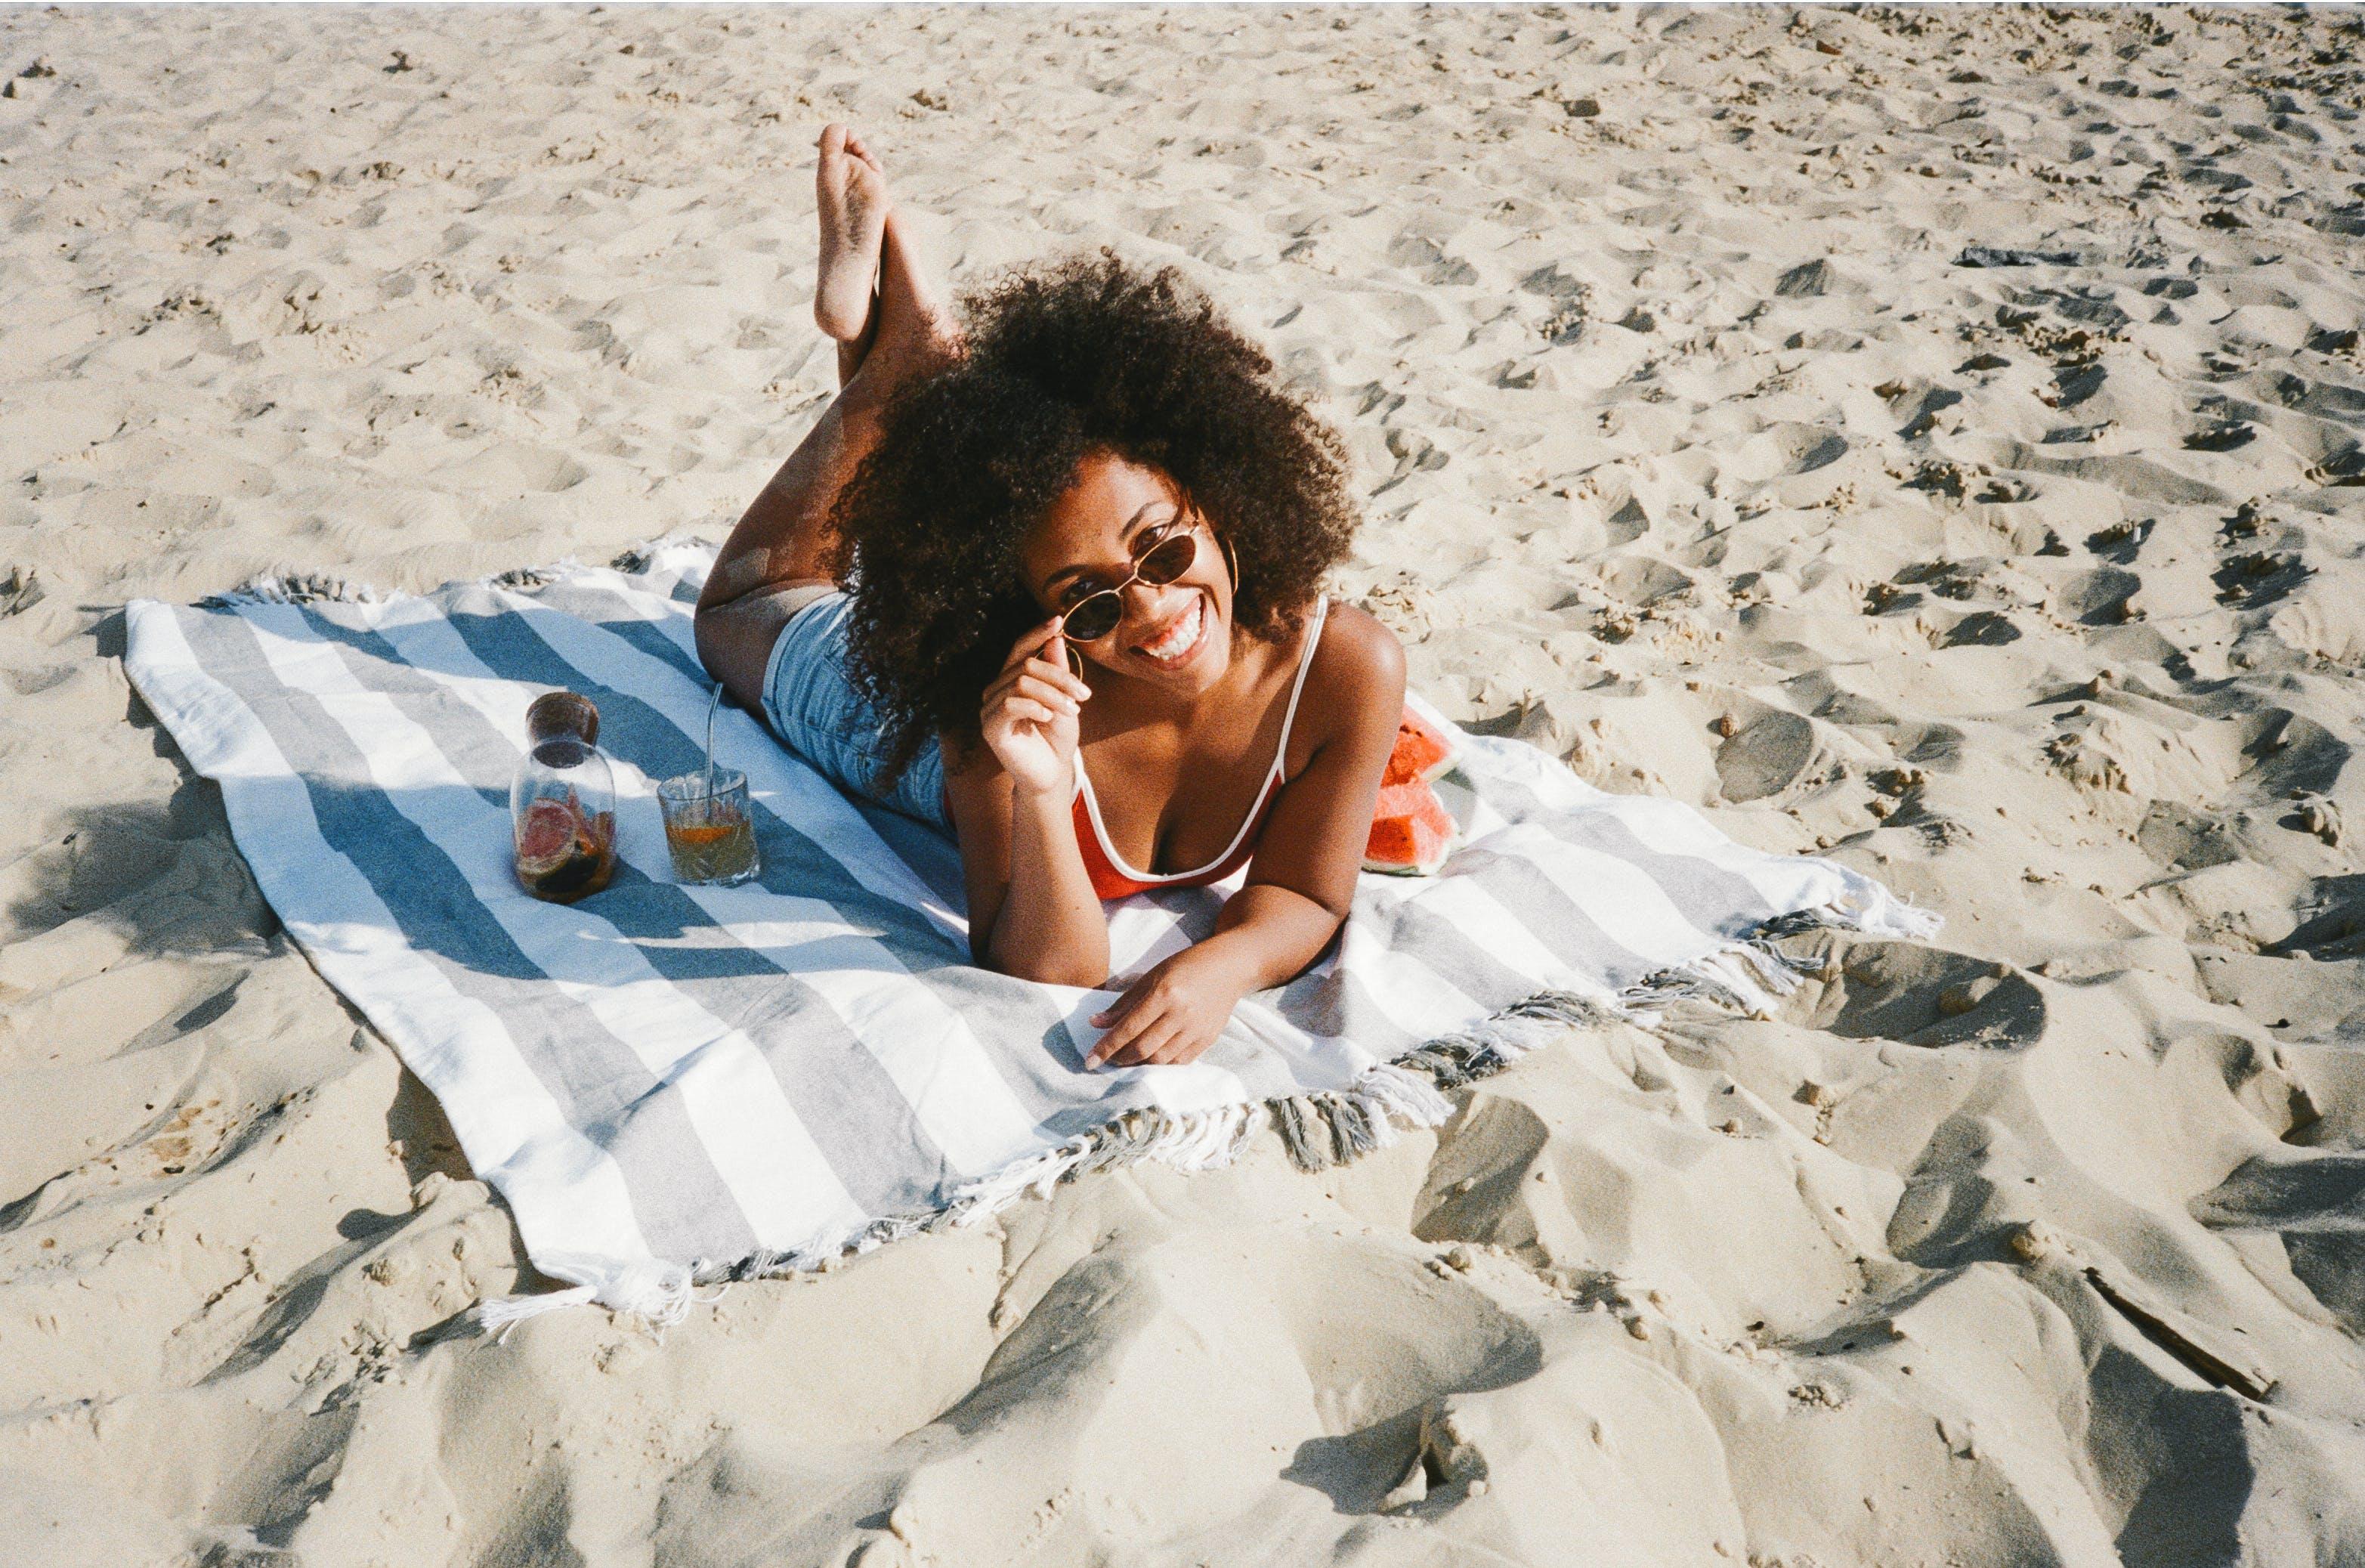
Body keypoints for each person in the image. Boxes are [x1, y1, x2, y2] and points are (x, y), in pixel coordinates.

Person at [695, 125, 1405, 1071]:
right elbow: (1047, 967)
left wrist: (1220, 968)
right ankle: (896, 375)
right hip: (947, 740)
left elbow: (1307, 898)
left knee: (930, 496)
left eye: (1163, 545)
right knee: (742, 605)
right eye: (1088, 601)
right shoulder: (991, 696)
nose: (1151, 609)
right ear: (1027, 608)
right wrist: (1037, 789)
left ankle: (904, 364)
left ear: (1217, 493)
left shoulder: (1345, 668)